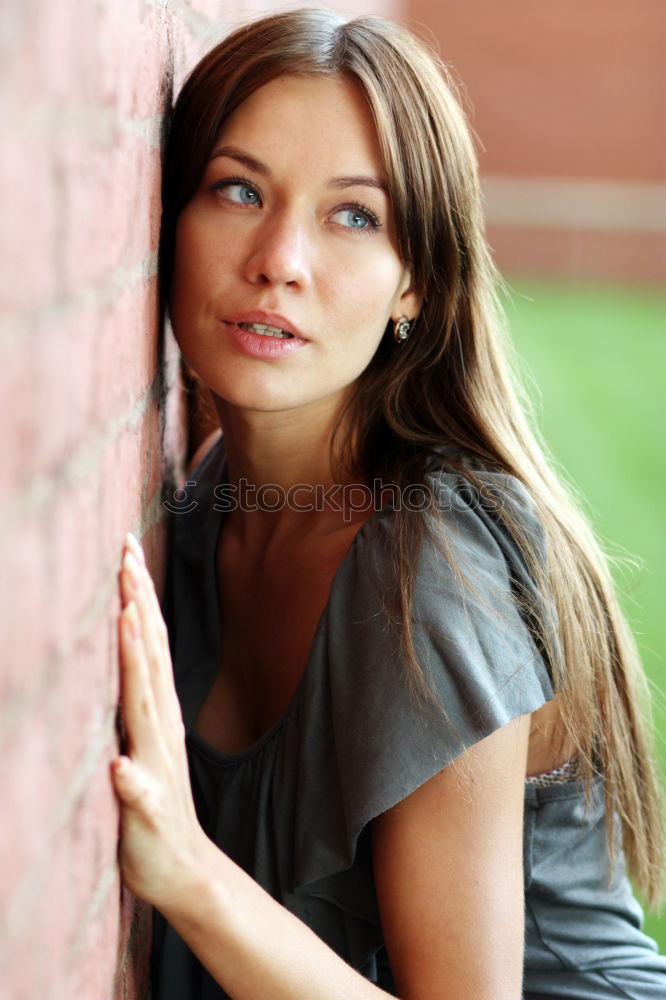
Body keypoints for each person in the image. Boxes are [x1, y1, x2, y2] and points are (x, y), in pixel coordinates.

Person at [111, 8, 665, 999]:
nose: (280, 256)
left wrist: (187, 873)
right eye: (239, 189)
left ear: (415, 281)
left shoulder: (430, 564)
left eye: (353, 215)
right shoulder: (204, 513)